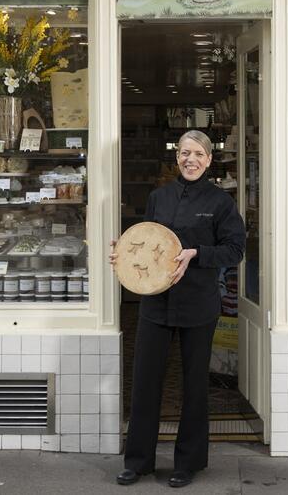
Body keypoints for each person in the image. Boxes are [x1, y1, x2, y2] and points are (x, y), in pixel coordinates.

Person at [111, 130, 246, 488]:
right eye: (185, 153)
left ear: (208, 160)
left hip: (198, 303)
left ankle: (188, 463)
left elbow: (235, 250)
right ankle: (138, 461)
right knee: (144, 382)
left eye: (198, 154)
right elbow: (146, 241)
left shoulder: (221, 202)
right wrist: (124, 253)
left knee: (194, 384)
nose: (191, 159)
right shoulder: (159, 197)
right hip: (155, 302)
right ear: (177, 158)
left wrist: (197, 253)